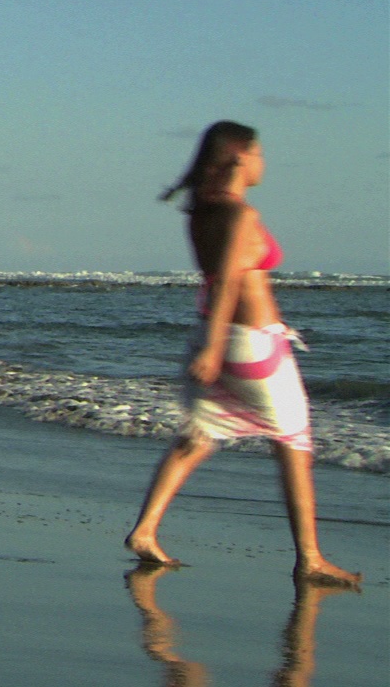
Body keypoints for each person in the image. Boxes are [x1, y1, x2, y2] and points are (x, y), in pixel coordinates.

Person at [124, 122, 359, 586]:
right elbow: (229, 280)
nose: (263, 163)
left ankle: (146, 530)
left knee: (201, 433)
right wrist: (214, 347)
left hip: (217, 336)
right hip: (251, 343)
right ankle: (309, 558)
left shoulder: (200, 213)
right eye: (259, 153)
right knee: (293, 442)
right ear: (239, 159)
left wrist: (211, 345)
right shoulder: (239, 215)